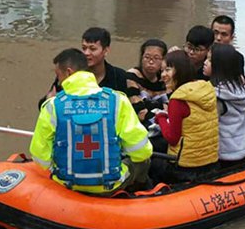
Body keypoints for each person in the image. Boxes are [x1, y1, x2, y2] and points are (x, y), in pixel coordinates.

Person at [30, 48, 153, 196]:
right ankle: (139, 194)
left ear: (68, 72)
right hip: (110, 185)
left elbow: (39, 156)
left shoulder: (52, 106)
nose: (59, 81)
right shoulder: (117, 101)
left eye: (58, 75)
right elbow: (141, 150)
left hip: (66, 184)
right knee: (143, 162)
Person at [151, 50, 219, 183]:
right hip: (211, 163)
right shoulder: (205, 89)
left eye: (168, 70)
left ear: (180, 70)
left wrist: (161, 118)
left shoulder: (178, 100)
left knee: (151, 162)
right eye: (162, 70)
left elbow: (172, 138)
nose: (163, 75)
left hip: (186, 168)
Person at [38, 27, 128, 109]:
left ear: (106, 50)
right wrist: (49, 99)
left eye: (92, 49)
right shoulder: (70, 74)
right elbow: (45, 104)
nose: (86, 53)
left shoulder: (118, 76)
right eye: (84, 48)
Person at [203, 44, 245, 164]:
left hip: (226, 154)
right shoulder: (238, 88)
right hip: (243, 147)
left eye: (209, 60)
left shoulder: (217, 95)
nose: (205, 62)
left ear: (219, 67)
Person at [126, 39, 168, 124]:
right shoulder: (132, 76)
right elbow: (139, 112)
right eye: (147, 57)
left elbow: (171, 107)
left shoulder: (165, 78)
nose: (151, 62)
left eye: (156, 58)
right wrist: (160, 106)